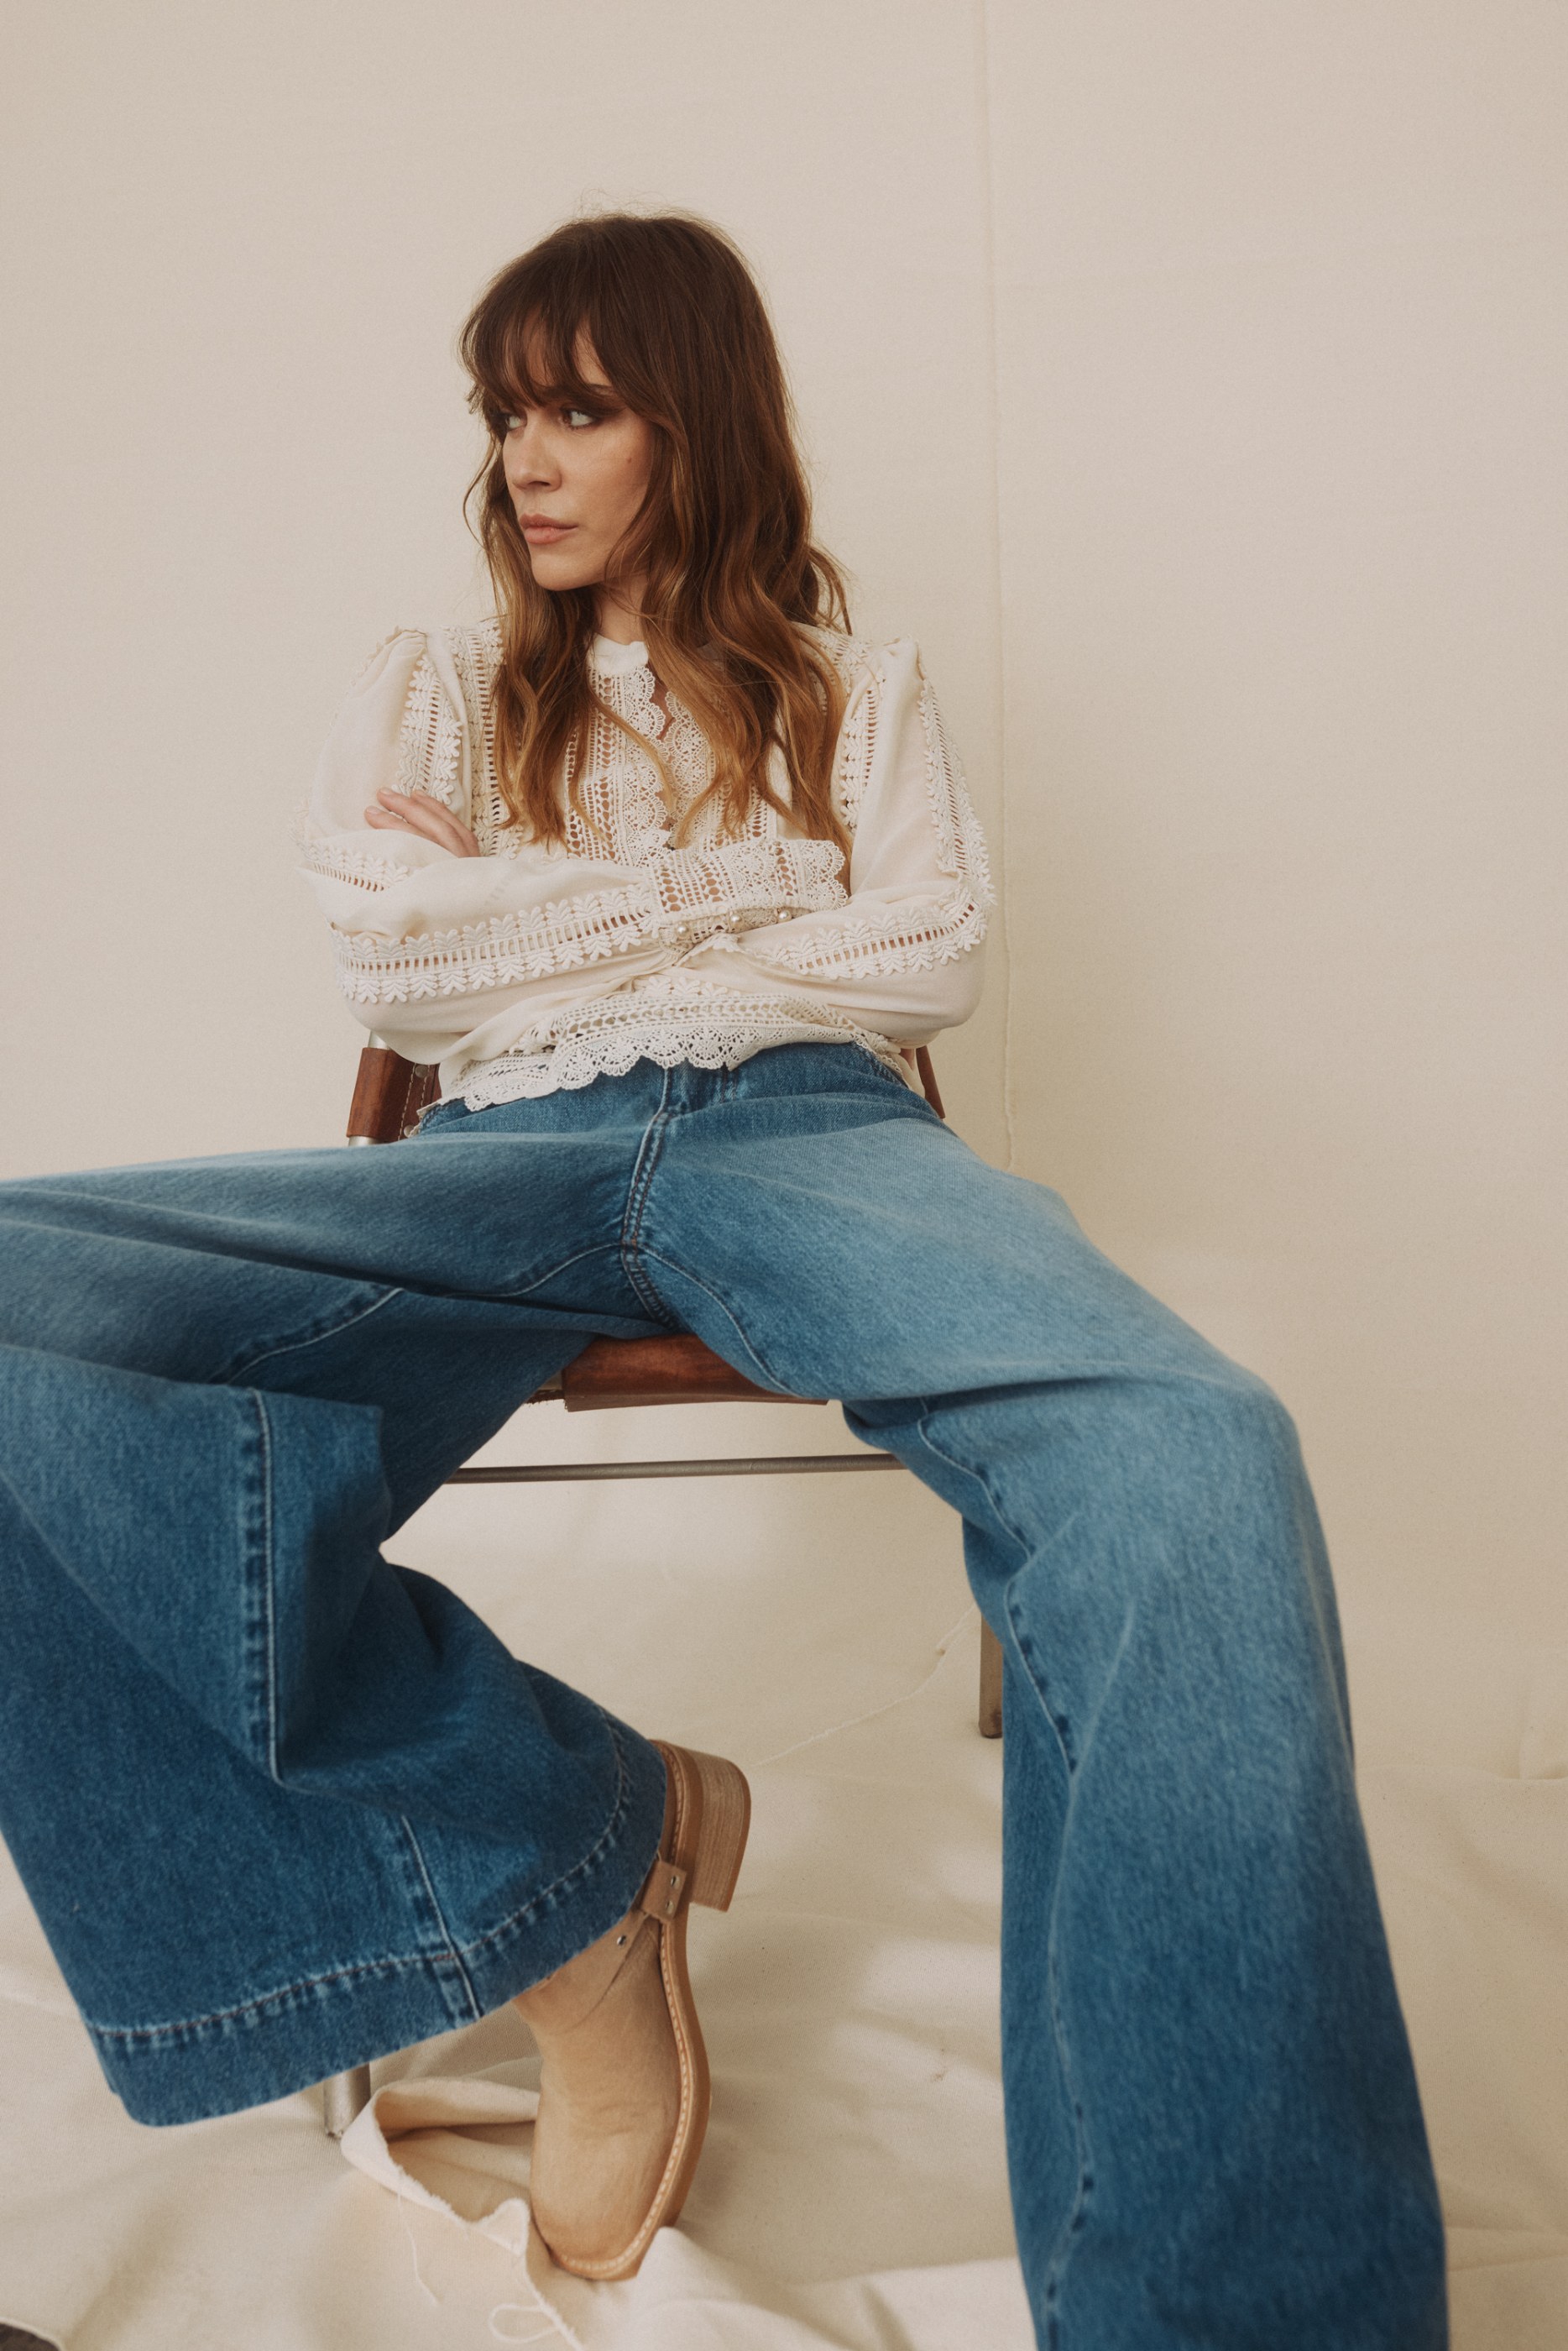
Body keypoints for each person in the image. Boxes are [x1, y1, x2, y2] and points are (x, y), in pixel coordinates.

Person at [0, 212, 1447, 2345]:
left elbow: (923, 953)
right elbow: (395, 962)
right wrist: (719, 903)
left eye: (577, 404)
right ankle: (559, 1855)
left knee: (1200, 1454)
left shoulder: (861, 687)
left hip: (817, 1136)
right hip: (503, 1150)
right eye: (505, 412)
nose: (524, 457)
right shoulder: (433, 682)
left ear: (702, 416)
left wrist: (531, 899)